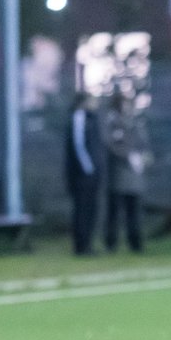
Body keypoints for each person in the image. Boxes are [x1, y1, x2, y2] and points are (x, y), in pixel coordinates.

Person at [102, 94, 149, 254]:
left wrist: (142, 156)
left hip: (135, 177)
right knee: (114, 212)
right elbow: (111, 144)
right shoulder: (112, 122)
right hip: (118, 175)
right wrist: (128, 156)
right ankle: (111, 243)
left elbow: (143, 142)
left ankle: (135, 243)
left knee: (133, 212)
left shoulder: (135, 122)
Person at [64, 92, 102, 256]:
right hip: (82, 175)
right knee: (82, 209)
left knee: (91, 209)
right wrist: (88, 168)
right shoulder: (78, 117)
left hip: (92, 173)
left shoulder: (92, 118)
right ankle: (81, 246)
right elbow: (78, 146)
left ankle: (88, 245)